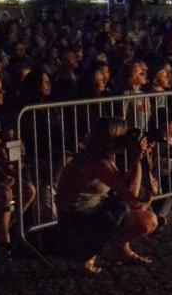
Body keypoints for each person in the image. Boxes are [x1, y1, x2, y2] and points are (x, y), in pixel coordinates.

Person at [52, 116, 159, 274]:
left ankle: (121, 249)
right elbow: (131, 193)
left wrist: (144, 159)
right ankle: (88, 253)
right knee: (124, 209)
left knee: (143, 209)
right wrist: (136, 158)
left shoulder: (101, 156)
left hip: (90, 210)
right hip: (75, 221)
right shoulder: (97, 162)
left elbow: (136, 191)